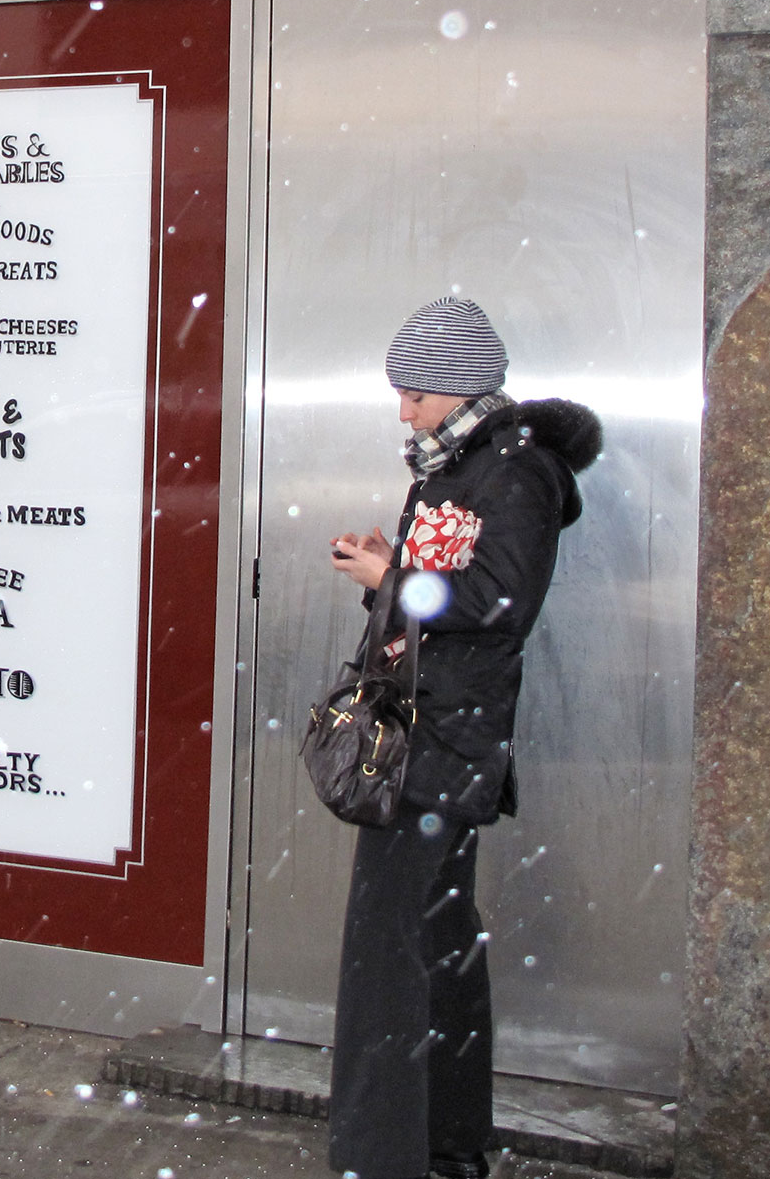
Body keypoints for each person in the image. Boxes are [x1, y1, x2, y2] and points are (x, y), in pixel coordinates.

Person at [321, 297, 600, 1179]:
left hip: (444, 739)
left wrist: (393, 577)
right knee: (434, 945)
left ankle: (384, 1155)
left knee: (391, 954)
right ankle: (446, 1145)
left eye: (415, 393)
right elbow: (441, 604)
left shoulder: (516, 472)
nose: (404, 411)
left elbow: (501, 606)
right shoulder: (447, 467)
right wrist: (385, 580)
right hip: (425, 726)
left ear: (462, 385)